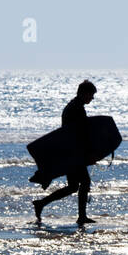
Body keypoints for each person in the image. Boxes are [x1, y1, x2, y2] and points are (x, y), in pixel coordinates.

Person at [32, 80, 97, 228]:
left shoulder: (73, 106)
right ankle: (81, 217)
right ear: (83, 93)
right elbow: (79, 135)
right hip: (73, 153)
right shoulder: (76, 109)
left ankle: (41, 203)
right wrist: (89, 154)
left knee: (74, 186)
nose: (92, 98)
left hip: (71, 152)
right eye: (91, 95)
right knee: (84, 182)